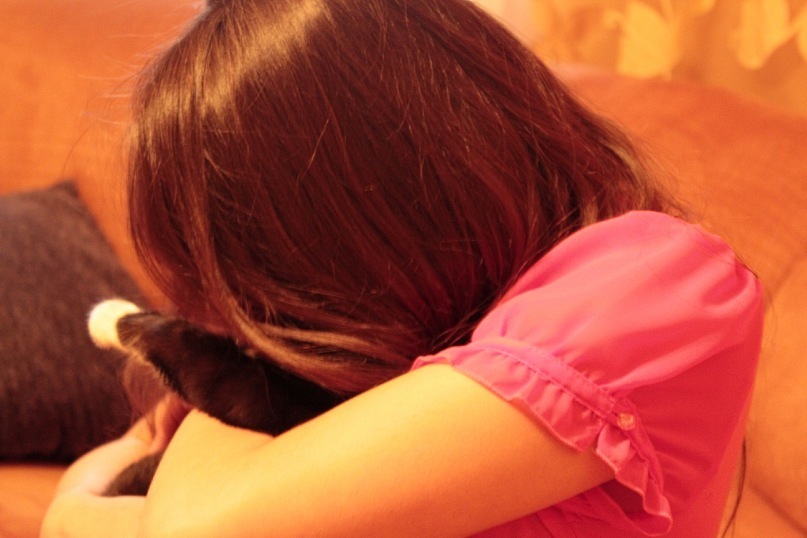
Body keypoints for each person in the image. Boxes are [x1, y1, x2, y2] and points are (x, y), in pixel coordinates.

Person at [40, 0, 763, 536]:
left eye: (244, 284)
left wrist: (78, 512)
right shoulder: (390, 366)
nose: (238, 319)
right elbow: (116, 475)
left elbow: (194, 527)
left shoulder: (659, 283)